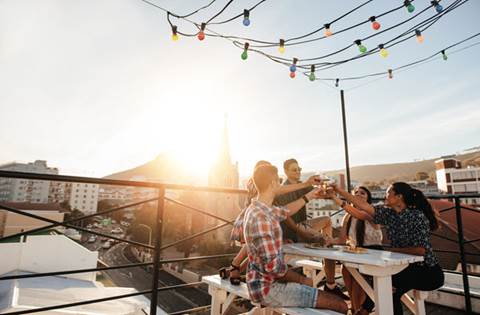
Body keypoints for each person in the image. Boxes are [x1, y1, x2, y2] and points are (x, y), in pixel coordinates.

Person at [243, 164, 348, 313]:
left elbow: (285, 211)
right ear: (273, 184)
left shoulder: (258, 209)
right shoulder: (261, 218)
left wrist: (309, 195)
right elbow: (273, 268)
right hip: (269, 289)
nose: (280, 184)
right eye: (278, 181)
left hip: (260, 283)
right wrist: (302, 280)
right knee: (341, 306)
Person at [328, 182, 444, 315]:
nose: (385, 195)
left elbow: (420, 251)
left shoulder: (416, 216)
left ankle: (363, 310)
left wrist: (391, 251)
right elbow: (362, 206)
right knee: (385, 285)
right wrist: (337, 191)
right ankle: (363, 310)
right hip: (404, 268)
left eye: (388, 193)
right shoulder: (390, 214)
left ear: (399, 197)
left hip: (428, 272)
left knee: (385, 285)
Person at [224, 160, 322, 285]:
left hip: (259, 217)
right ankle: (235, 265)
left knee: (256, 249)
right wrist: (306, 184)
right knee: (255, 246)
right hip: (254, 218)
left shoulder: (263, 188)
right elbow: (280, 191)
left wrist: (306, 186)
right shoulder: (260, 188)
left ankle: (235, 267)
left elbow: (280, 203)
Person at [274, 158, 347, 299]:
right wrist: (299, 232)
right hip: (293, 230)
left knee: (327, 222)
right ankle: (330, 281)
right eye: (294, 170)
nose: (298, 172)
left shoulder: (302, 185)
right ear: (286, 172)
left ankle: (330, 280)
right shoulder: (284, 189)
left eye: (299, 169)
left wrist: (332, 190)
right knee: (326, 242)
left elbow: (320, 193)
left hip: (303, 225)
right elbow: (285, 215)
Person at [326, 186, 382, 314]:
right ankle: (355, 308)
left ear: (368, 197)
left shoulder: (372, 213)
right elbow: (341, 240)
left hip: (373, 253)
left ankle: (359, 309)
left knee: (358, 279)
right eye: (355, 193)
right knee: (346, 270)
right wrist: (330, 241)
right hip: (356, 253)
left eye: (362, 193)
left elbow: (359, 214)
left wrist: (335, 197)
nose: (358, 194)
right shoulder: (348, 216)